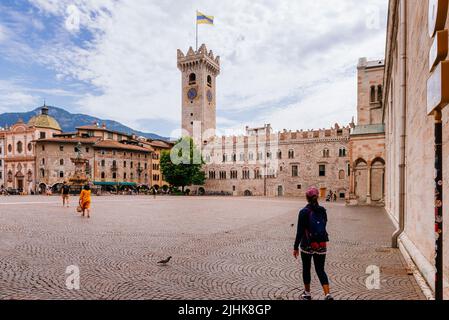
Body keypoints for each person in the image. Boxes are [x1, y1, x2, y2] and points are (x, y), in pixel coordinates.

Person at [293, 187, 333, 300]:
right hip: (321, 244)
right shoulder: (323, 210)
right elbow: (323, 225)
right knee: (320, 269)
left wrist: (295, 247)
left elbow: (299, 232)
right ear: (317, 197)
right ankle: (327, 294)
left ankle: (307, 293)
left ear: (307, 198)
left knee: (306, 269)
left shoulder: (303, 212)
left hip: (307, 244)